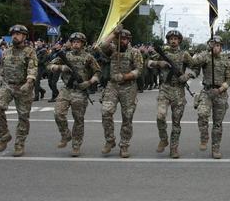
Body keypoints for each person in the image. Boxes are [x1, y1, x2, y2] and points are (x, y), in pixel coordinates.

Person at [47, 32, 101, 157]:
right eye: (74, 41)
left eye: (79, 42)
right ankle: (66, 135)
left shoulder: (88, 57)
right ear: (71, 43)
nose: (76, 44)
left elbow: (98, 72)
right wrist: (61, 68)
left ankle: (76, 145)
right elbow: (49, 66)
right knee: (58, 113)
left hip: (80, 91)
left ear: (83, 44)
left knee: (78, 120)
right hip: (66, 89)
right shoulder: (64, 55)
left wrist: (89, 82)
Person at [147, 30, 195, 159]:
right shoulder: (163, 53)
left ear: (179, 40)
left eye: (176, 38)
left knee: (176, 122)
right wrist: (159, 63)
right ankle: (163, 139)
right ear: (168, 40)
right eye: (171, 38)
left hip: (179, 91)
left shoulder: (184, 54)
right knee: (160, 115)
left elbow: (196, 67)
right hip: (165, 88)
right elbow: (148, 63)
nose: (173, 41)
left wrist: (187, 75)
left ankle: (174, 148)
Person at [0, 25, 38, 157]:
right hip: (7, 86)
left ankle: (19, 144)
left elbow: (32, 69)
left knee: (23, 117)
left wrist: (29, 82)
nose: (15, 36)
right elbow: (2, 70)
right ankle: (4, 135)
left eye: (18, 34)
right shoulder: (6, 51)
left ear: (24, 36)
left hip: (23, 87)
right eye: (13, 34)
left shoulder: (30, 52)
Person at [99, 27, 143, 158]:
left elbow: (139, 70)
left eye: (124, 39)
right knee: (106, 112)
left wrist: (125, 76)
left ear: (129, 40)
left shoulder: (135, 52)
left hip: (128, 87)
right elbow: (103, 46)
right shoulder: (112, 49)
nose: (121, 41)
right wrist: (114, 33)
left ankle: (124, 145)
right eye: (119, 39)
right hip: (112, 86)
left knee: (127, 117)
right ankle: (110, 140)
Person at [191, 35, 230, 159]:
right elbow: (195, 61)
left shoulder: (226, 61)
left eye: (218, 45)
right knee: (202, 114)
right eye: (214, 45)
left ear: (221, 47)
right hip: (207, 91)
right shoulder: (206, 58)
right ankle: (204, 137)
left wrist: (220, 89)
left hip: (220, 93)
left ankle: (216, 148)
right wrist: (206, 51)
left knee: (217, 123)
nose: (216, 48)